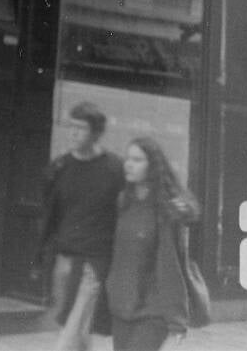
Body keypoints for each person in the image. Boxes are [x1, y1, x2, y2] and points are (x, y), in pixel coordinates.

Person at [38, 101, 125, 351]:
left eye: (81, 128)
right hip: (65, 260)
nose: (74, 133)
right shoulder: (60, 166)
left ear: (96, 133)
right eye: (71, 127)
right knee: (75, 324)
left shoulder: (114, 167)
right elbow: (51, 214)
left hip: (94, 262)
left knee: (75, 327)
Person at [105, 136, 200, 351]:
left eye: (137, 160)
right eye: (128, 158)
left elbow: (170, 266)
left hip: (152, 311)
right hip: (122, 307)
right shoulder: (123, 202)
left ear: (153, 166)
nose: (129, 164)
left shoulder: (165, 210)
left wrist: (177, 320)